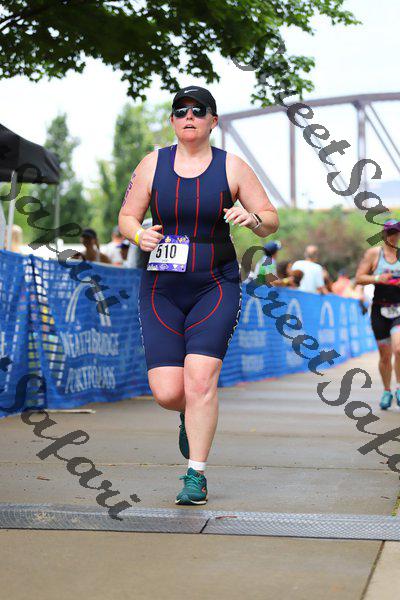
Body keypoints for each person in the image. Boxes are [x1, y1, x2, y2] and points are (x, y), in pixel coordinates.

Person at [118, 85, 279, 505]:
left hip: (215, 283)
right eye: (181, 110)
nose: (189, 116)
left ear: (213, 120)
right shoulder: (153, 163)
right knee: (168, 392)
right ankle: (187, 416)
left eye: (198, 110)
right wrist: (138, 234)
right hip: (162, 286)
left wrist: (252, 219)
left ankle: (196, 475)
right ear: (173, 120)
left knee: (201, 379)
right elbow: (127, 216)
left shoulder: (232, 166)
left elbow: (270, 219)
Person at [355, 219, 400, 409]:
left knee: (399, 349)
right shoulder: (374, 254)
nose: (393, 236)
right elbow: (359, 278)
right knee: (385, 355)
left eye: (396, 232)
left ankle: (399, 388)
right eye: (389, 233)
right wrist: (378, 278)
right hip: (379, 310)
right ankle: (387, 391)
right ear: (383, 234)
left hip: (399, 308)